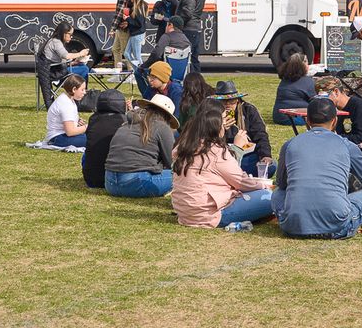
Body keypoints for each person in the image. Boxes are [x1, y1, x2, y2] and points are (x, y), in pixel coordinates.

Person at [272, 97, 362, 239]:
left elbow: (282, 184)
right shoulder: (346, 145)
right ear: (334, 121)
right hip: (337, 226)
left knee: (277, 194)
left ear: (307, 121)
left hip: (293, 226)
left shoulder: (290, 144)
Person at [171, 98, 272, 227]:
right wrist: (238, 148)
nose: (225, 123)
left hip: (185, 212)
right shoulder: (215, 150)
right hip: (209, 214)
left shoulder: (183, 145)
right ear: (215, 123)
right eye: (223, 118)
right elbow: (241, 182)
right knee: (269, 197)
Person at [103, 93, 178, 197]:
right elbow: (172, 161)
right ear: (167, 116)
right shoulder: (162, 127)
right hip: (136, 183)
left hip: (110, 183)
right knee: (183, 175)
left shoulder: (127, 123)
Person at [315, 75, 362, 176]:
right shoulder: (330, 110)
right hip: (341, 161)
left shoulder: (361, 107)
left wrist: (333, 138)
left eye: (324, 97)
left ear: (336, 92)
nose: (321, 102)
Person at [213, 80, 272, 177]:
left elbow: (260, 134)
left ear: (237, 100)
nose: (228, 104)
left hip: (247, 155)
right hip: (221, 158)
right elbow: (208, 141)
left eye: (231, 101)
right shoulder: (212, 114)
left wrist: (265, 155)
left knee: (270, 166)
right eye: (223, 101)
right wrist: (220, 129)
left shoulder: (248, 110)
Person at [81, 89, 128, 189]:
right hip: (115, 177)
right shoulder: (125, 121)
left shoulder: (93, 119)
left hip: (91, 179)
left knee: (87, 154)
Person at [272, 53, 317, 126]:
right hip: (294, 118)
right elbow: (316, 100)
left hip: (278, 117)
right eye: (307, 63)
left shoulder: (284, 80)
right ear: (303, 65)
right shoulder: (307, 81)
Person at [45, 74, 88, 148]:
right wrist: (88, 127)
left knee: (94, 137)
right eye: (82, 89)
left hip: (60, 136)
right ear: (74, 89)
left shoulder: (68, 99)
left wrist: (75, 121)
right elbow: (70, 132)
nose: (85, 92)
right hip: (57, 138)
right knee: (94, 139)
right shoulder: (66, 104)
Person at [176, 0, 206, 74]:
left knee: (186, 57)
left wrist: (177, 22)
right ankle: (197, 82)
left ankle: (192, 82)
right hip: (196, 26)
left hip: (188, 27)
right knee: (194, 57)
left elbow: (188, 11)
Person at [110, 0, 133, 70]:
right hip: (123, 27)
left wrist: (112, 28)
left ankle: (131, 71)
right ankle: (117, 71)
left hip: (123, 27)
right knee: (116, 49)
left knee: (125, 51)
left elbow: (120, 12)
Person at [124, 0, 147, 72]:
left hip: (137, 34)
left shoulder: (139, 8)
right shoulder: (136, 6)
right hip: (134, 34)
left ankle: (141, 73)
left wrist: (128, 19)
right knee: (126, 53)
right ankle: (136, 71)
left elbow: (139, 24)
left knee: (137, 56)